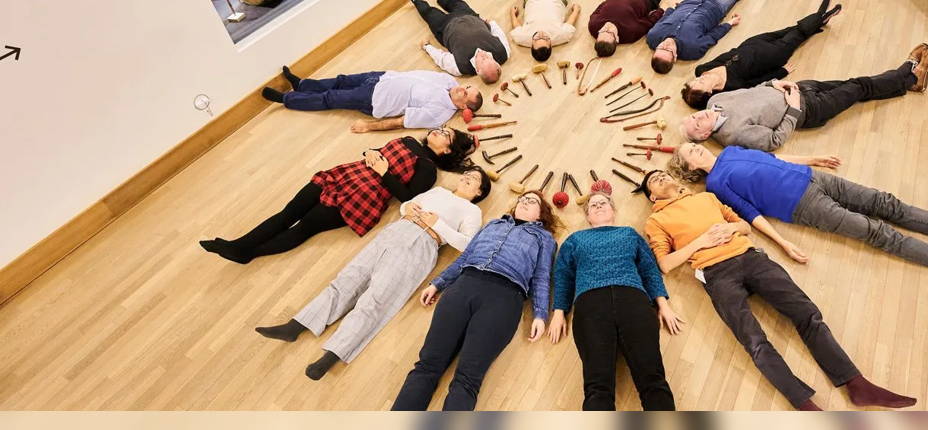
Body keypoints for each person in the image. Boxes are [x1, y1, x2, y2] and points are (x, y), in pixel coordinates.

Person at [636, 169, 919, 410]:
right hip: (716, 274)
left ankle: (857, 384)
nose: (662, 177)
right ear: (652, 197)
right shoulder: (656, 221)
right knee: (754, 341)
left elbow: (744, 225)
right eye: (656, 180)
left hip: (751, 257)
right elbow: (665, 263)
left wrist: (732, 230)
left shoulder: (706, 197)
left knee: (807, 313)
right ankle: (806, 406)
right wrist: (702, 241)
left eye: (664, 174)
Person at [667, 142, 928, 293]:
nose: (696, 148)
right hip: (802, 206)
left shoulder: (730, 150)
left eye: (693, 145)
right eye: (690, 153)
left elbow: (774, 157)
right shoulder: (715, 184)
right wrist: (784, 243)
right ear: (691, 167)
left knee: (884, 201)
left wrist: (813, 158)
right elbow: (751, 215)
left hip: (813, 177)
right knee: (878, 232)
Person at [253, 168, 492, 381]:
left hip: (422, 245)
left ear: (479, 192)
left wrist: (438, 223)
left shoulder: (471, 211)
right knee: (347, 280)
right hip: (395, 231)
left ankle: (332, 355)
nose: (467, 178)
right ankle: (295, 326)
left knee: (376, 299)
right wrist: (407, 207)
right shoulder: (438, 191)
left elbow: (467, 244)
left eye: (473, 179)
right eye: (466, 175)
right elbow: (405, 205)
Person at [197, 128, 476, 264]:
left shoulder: (427, 169)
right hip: (345, 174)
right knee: (288, 214)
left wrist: (383, 172)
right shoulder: (408, 140)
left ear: (446, 151)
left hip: (361, 197)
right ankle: (238, 246)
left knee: (304, 227)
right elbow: (376, 151)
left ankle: (249, 253)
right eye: (441, 128)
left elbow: (408, 200)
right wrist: (370, 153)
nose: (438, 130)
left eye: (445, 135)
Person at [392, 190, 560, 411]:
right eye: (522, 199)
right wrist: (437, 283)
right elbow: (465, 257)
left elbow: (542, 276)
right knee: (427, 365)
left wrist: (540, 314)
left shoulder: (544, 238)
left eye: (532, 201)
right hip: (464, 286)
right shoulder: (493, 225)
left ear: (541, 214)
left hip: (505, 298)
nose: (525, 202)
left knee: (467, 379)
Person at [548, 190, 682, 411]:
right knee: (597, 387)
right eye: (593, 206)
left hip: (634, 301)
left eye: (603, 203)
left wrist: (663, 304)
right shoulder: (574, 240)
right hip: (590, 306)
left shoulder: (629, 234)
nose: (599, 206)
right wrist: (559, 312)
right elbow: (562, 275)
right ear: (588, 216)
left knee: (653, 380)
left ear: (613, 210)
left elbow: (649, 269)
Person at [680, 44, 928, 151]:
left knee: (851, 85)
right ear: (704, 135)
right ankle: (910, 73)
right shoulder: (733, 135)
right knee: (859, 87)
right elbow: (775, 140)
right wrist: (792, 109)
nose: (700, 115)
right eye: (698, 123)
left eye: (694, 116)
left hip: (797, 87)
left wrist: (773, 83)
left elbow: (749, 91)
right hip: (810, 110)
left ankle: (904, 86)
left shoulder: (715, 102)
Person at [681, 0, 843, 108]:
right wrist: (782, 72)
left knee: (793, 28)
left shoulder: (701, 69)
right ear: (708, 93)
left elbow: (725, 56)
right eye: (699, 84)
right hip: (773, 56)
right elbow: (757, 83)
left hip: (753, 43)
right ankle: (823, 10)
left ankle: (821, 19)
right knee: (799, 32)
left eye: (694, 81)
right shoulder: (731, 88)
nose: (699, 79)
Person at [262, 67, 482, 133]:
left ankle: (287, 99)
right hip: (382, 77)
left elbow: (402, 122)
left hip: (375, 99)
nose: (462, 88)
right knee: (341, 79)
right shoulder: (450, 82)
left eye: (466, 94)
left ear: (463, 107)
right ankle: (302, 85)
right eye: (468, 87)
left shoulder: (438, 114)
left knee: (331, 98)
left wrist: (369, 127)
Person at [402, 0, 509, 84]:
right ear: (496, 61)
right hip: (469, 16)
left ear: (477, 70)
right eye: (488, 58)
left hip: (445, 27)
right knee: (455, 2)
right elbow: (500, 34)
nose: (483, 55)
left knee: (428, 12)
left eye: (482, 60)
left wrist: (427, 47)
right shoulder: (503, 52)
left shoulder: (460, 67)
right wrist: (491, 23)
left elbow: (442, 59)